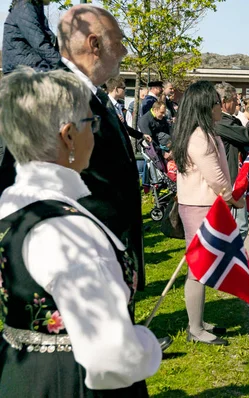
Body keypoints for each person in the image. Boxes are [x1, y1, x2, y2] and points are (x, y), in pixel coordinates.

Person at [0, 68, 161, 397]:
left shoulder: (14, 203)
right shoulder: (67, 230)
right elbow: (110, 358)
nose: (96, 132)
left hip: (23, 376)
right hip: (73, 383)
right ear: (68, 136)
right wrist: (145, 345)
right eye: (92, 123)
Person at [57, 4, 150, 297]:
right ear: (94, 43)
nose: (124, 52)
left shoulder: (90, 94)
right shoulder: (62, 95)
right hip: (87, 259)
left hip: (110, 253)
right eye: (119, 42)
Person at [172, 81, 244, 346]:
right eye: (215, 102)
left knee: (203, 267)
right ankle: (195, 328)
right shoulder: (200, 137)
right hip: (200, 208)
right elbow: (216, 178)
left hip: (202, 206)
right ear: (205, 106)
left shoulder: (203, 132)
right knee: (197, 269)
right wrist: (233, 198)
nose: (219, 106)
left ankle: (198, 321)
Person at [214, 82, 249, 240]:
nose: (237, 103)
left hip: (236, 178)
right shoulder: (221, 123)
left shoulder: (229, 121)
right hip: (231, 181)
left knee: (237, 226)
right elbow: (247, 136)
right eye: (235, 99)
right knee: (238, 228)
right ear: (224, 102)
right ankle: (229, 261)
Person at [2, 0, 61, 74]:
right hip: (22, 71)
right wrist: (61, 64)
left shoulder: (31, 7)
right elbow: (40, 43)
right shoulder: (25, 7)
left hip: (29, 66)